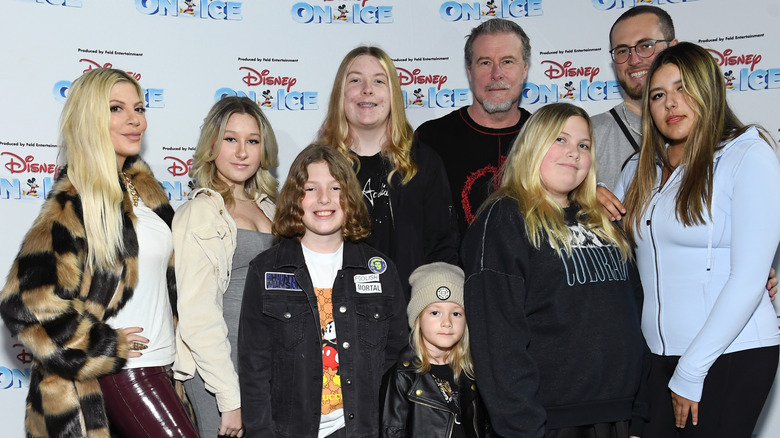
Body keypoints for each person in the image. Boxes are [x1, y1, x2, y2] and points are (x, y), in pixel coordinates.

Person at [0, 68, 197, 437]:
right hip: (125, 372)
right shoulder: (77, 200)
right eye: (116, 109)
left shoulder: (144, 191)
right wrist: (103, 343)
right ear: (90, 117)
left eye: (138, 108)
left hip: (164, 366)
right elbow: (24, 302)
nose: (135, 119)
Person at [613, 42, 780, 437]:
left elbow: (749, 278)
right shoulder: (640, 168)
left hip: (729, 355)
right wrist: (598, 193)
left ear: (710, 90)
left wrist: (691, 371)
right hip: (657, 357)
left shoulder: (747, 156)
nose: (671, 103)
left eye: (683, 88)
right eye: (658, 95)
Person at [462, 103, 648, 437]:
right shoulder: (505, 218)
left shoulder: (602, 221)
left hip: (618, 417)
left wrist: (639, 414)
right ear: (533, 145)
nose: (573, 153)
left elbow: (634, 314)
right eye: (560, 140)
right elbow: (498, 338)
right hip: (548, 422)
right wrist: (523, 427)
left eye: (583, 145)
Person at [238, 144, 408, 438]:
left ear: (350, 196)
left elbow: (395, 349)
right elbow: (254, 368)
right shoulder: (265, 271)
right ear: (294, 198)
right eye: (311, 189)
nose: (324, 199)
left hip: (358, 429)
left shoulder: (379, 270)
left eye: (335, 188)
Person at [172, 96, 279, 437]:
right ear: (212, 144)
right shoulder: (201, 212)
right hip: (219, 369)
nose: (242, 152)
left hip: (265, 364)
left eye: (252, 141)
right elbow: (197, 313)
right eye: (230, 139)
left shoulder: (272, 209)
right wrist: (229, 398)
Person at [318, 45, 458, 299]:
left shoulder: (425, 163)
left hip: (407, 319)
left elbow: (443, 251)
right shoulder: (317, 164)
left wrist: (432, 310)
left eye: (379, 81)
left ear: (392, 93)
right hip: (336, 317)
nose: (367, 89)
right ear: (341, 93)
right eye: (356, 80)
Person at [415, 18, 533, 237]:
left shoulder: (547, 137)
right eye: (485, 62)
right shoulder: (430, 139)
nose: (496, 74)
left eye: (508, 61)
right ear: (470, 72)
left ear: (524, 69)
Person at [380, 262, 491, 438]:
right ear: (418, 320)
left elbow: (485, 428)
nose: (447, 322)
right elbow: (391, 432)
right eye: (435, 313)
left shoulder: (472, 372)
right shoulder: (402, 376)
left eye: (456, 313)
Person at [592, 5, 678, 195]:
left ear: (673, 47)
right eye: (622, 51)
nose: (634, 60)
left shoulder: (709, 130)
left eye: (646, 46)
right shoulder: (588, 134)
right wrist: (584, 198)